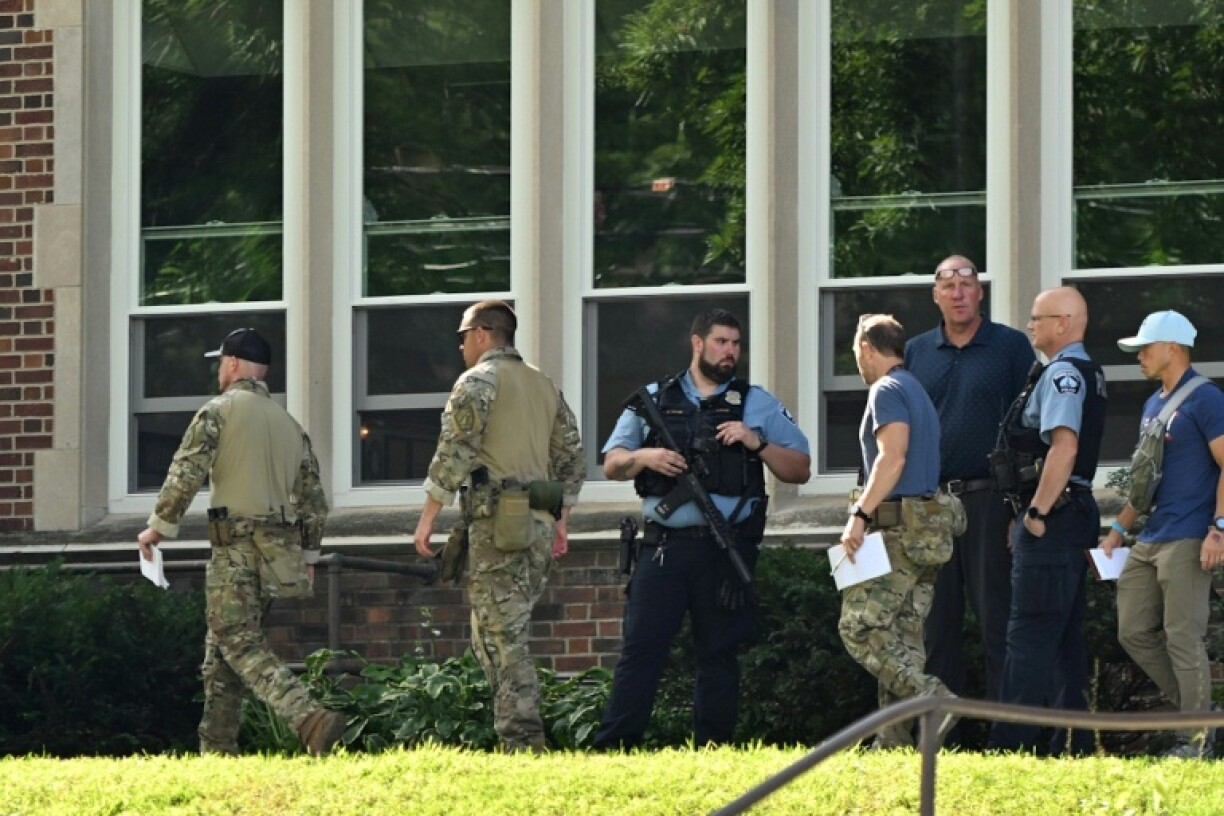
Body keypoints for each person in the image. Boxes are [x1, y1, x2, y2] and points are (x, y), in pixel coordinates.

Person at [592, 308, 811, 749]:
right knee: (641, 650)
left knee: (718, 654)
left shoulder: (756, 402)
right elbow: (611, 463)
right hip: (664, 549)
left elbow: (801, 469)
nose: (730, 351)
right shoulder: (654, 398)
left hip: (723, 550)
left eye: (735, 343)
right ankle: (614, 746)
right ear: (698, 343)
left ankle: (714, 749)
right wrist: (646, 458)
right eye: (721, 342)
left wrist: (758, 442)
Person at [137, 328, 345, 756]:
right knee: (222, 660)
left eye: (220, 362)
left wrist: (157, 529)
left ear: (232, 363)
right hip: (277, 554)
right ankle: (217, 752)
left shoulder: (218, 411)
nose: (218, 370)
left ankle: (308, 717)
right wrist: (308, 555)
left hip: (234, 549)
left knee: (238, 641)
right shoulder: (290, 425)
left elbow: (185, 473)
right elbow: (314, 500)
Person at [412, 300, 586, 753]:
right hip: (538, 523)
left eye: (463, 335)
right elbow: (571, 458)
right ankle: (517, 734)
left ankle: (524, 742)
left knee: (501, 638)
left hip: (499, 525)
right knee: (495, 633)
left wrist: (427, 520)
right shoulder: (542, 384)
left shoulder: (476, 383)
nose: (461, 345)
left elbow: (455, 453)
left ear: (484, 334)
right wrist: (561, 521)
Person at [904, 256, 1035, 717]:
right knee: (935, 627)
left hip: (990, 500)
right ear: (935, 295)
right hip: (930, 504)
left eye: (967, 283)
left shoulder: (1010, 347)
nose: (958, 292)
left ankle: (1009, 735)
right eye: (948, 284)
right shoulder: (916, 352)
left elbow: (1033, 430)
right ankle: (942, 740)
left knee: (996, 621)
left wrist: (1023, 509)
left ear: (980, 292)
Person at [1099, 310, 1224, 758]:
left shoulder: (1206, 400)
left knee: (1182, 636)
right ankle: (1201, 717)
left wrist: (1219, 530)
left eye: (1145, 348)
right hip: (1151, 538)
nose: (1139, 357)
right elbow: (1144, 482)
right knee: (1132, 631)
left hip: (1191, 536)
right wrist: (1117, 531)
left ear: (1172, 347)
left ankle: (1194, 741)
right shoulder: (1154, 404)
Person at [988, 287, 1106, 755]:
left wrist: (1035, 512)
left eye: (1037, 318)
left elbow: (1064, 446)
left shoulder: (1062, 375)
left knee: (1030, 634)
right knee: (1062, 637)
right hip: (1068, 514)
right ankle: (1069, 744)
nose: (1030, 326)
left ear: (1063, 322)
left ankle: (1008, 747)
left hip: (1055, 518)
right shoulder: (1082, 371)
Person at [839, 314, 964, 749]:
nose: (857, 360)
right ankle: (892, 742)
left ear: (867, 347)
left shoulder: (887, 389)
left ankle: (932, 698)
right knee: (903, 636)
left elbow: (891, 458)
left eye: (856, 352)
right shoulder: (916, 390)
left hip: (895, 527)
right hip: (926, 530)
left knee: (860, 627)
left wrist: (860, 515)